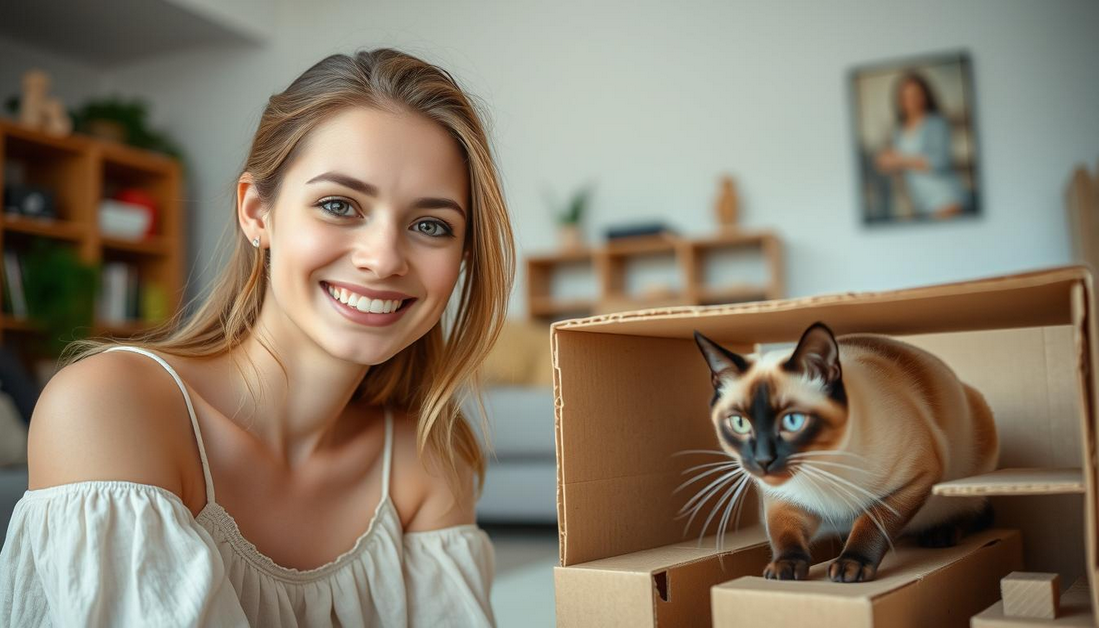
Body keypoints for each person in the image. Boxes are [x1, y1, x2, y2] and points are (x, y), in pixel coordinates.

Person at [0, 48, 515, 627]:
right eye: (339, 205)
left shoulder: (427, 461)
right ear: (256, 212)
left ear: (463, 257)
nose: (384, 258)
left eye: (430, 225)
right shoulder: (108, 407)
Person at [874, 70, 970, 220]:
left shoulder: (936, 123)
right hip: (922, 204)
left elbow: (940, 161)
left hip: (945, 199)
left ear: (925, 96)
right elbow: (902, 166)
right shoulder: (899, 131)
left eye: (916, 95)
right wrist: (886, 162)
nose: (911, 101)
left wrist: (899, 160)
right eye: (906, 97)